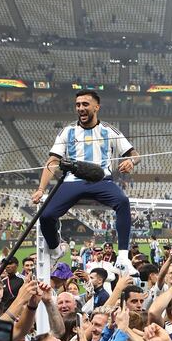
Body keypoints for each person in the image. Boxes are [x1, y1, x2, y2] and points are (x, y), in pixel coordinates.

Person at [31, 90, 140, 275]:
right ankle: (56, 248)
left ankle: (122, 258)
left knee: (122, 201)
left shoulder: (109, 131)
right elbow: (52, 161)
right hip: (72, 181)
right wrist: (41, 189)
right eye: (78, 104)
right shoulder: (67, 131)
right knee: (46, 216)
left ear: (96, 107)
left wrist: (131, 162)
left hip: (101, 180)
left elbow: (135, 155)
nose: (80, 108)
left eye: (85, 104)